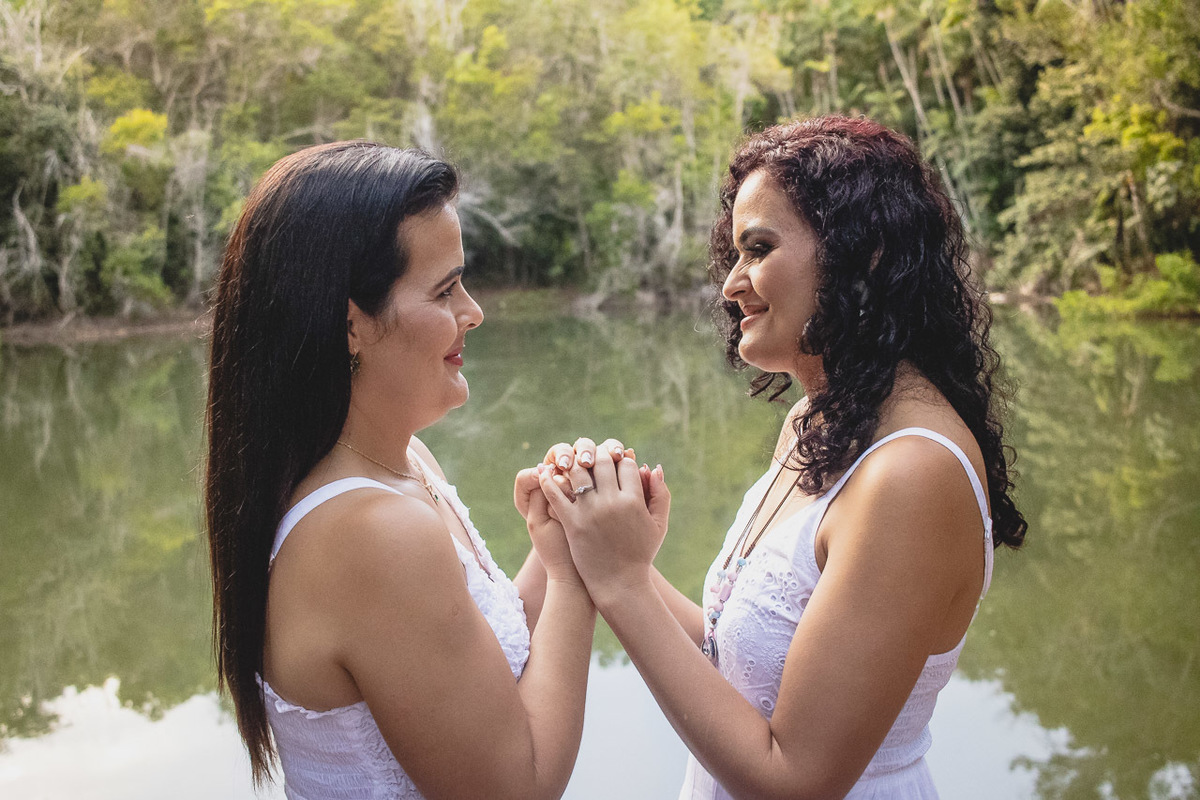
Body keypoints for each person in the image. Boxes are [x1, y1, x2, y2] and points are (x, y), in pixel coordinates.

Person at [537, 115, 1028, 799]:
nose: (731, 284)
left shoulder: (913, 473)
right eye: (736, 254)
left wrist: (620, 584)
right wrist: (610, 548)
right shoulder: (816, 421)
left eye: (759, 249)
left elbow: (794, 780)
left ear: (867, 254)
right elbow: (741, 667)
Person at [205, 141, 597, 799]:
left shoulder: (400, 462)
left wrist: (559, 543)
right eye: (445, 289)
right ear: (351, 324)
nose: (473, 311)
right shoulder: (372, 531)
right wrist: (583, 577)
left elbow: (477, 670)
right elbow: (517, 788)